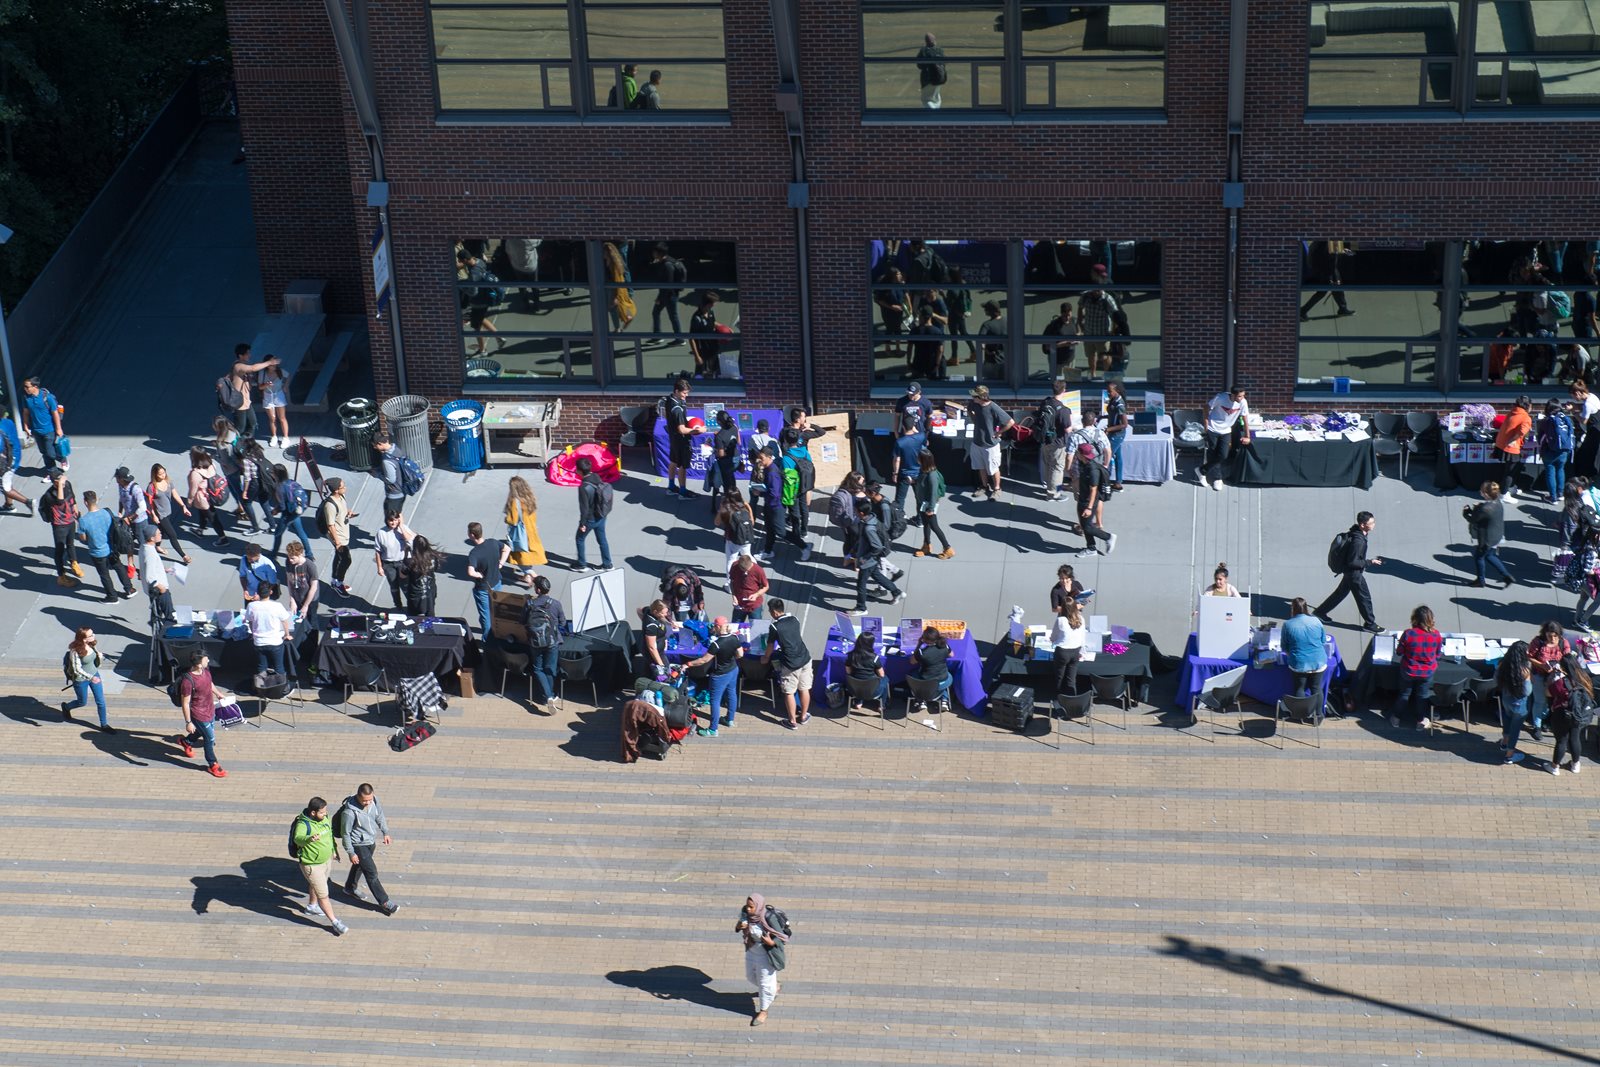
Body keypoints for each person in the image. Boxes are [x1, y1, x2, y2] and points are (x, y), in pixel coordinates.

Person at [1315, 512, 1383, 633]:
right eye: (1371, 523)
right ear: (1362, 525)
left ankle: (1319, 613)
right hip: (1354, 574)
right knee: (1364, 599)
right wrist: (1369, 562)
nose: (1374, 525)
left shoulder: (1356, 532)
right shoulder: (1359, 541)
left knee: (1339, 594)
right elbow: (1353, 562)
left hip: (1349, 573)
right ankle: (1370, 624)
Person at [338, 783, 399, 914]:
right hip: (358, 844)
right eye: (364, 800)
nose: (368, 802)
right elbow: (345, 834)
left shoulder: (374, 801)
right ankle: (384, 902)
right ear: (358, 797)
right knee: (371, 873)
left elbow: (379, 816)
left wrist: (385, 832)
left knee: (360, 865)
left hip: (370, 841)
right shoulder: (349, 812)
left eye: (369, 799)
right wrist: (351, 852)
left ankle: (349, 887)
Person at [290, 796, 347, 935]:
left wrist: (334, 850)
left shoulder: (324, 819)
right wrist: (309, 839)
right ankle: (335, 922)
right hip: (312, 865)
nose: (325, 814)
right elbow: (298, 839)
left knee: (315, 885)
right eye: (322, 812)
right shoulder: (303, 825)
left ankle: (311, 907)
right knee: (324, 894)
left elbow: (330, 835)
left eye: (325, 811)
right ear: (313, 813)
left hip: (326, 860)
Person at [736, 893, 788, 1027]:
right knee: (750, 977)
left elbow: (782, 937)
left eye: (751, 907)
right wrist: (739, 927)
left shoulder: (768, 918)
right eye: (747, 906)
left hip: (766, 954)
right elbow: (738, 926)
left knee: (764, 985)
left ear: (758, 906)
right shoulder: (745, 912)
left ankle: (763, 1011)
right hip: (751, 951)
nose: (748, 909)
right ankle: (774, 987)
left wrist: (771, 942)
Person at [690, 616, 744, 736]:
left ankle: (713, 729)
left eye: (714, 626)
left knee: (715, 701)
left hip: (720, 675)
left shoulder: (716, 644)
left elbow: (704, 660)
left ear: (718, 627)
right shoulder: (734, 637)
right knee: (731, 693)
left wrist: (688, 664)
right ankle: (729, 720)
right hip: (733, 669)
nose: (714, 628)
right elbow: (740, 654)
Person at [848, 496, 903, 614]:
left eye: (856, 511)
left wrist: (864, 558)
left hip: (868, 560)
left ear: (862, 513)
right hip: (871, 559)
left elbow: (877, 547)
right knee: (878, 576)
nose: (855, 512)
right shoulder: (872, 519)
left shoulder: (869, 528)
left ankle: (861, 608)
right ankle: (896, 592)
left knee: (861, 585)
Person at [1390, 605, 1441, 731]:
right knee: (1421, 697)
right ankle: (1420, 721)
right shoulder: (1436, 635)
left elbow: (1399, 652)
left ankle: (1396, 718)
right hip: (1427, 672)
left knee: (1404, 694)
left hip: (1409, 671)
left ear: (1415, 619)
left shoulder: (1409, 633)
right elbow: (1438, 654)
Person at [177, 650, 227, 778]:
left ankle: (187, 742)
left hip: (210, 709)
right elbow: (185, 703)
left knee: (202, 731)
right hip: (198, 714)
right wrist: (188, 722)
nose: (208, 661)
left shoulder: (206, 671)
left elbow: (209, 683)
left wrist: (218, 693)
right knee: (209, 738)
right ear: (199, 664)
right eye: (206, 660)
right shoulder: (188, 682)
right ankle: (213, 764)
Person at [764, 598, 812, 727]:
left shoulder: (775, 626)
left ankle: (792, 721)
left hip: (791, 664)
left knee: (789, 691)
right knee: (804, 688)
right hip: (805, 658)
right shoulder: (795, 619)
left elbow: (769, 646)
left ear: (774, 612)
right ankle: (803, 716)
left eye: (769, 610)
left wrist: (765, 658)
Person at [76, 491, 130, 603]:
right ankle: (129, 588)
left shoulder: (83, 521)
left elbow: (83, 538)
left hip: (97, 553)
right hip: (111, 548)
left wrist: (78, 521)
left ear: (85, 502)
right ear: (96, 500)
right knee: (119, 567)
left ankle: (112, 596)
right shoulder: (106, 513)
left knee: (104, 575)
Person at [1546, 653, 1594, 776]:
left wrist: (1553, 675)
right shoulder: (1585, 678)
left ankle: (1554, 767)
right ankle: (1575, 764)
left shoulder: (1561, 682)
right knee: (1575, 737)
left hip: (1563, 714)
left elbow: (1548, 693)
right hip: (1580, 714)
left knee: (1561, 740)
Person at [754, 447, 805, 563]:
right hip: (769, 505)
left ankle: (804, 546)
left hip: (776, 506)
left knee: (780, 531)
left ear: (769, 457)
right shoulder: (768, 468)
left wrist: (760, 492)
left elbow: (775, 493)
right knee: (770, 529)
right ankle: (768, 551)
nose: (759, 460)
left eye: (761, 458)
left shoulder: (772, 473)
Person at [524, 575, 566, 709]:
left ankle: (547, 696)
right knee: (550, 669)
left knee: (538, 669)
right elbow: (563, 623)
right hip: (552, 642)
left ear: (537, 590)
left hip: (535, 642)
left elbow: (522, 621)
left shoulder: (529, 604)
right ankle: (551, 695)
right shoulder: (556, 604)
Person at [966, 386, 1014, 499]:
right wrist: (974, 420)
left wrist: (998, 433)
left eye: (974, 396)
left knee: (993, 468)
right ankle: (984, 486)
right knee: (980, 466)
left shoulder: (993, 408)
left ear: (981, 397)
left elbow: (1010, 422)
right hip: (977, 442)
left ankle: (997, 488)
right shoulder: (974, 404)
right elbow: (969, 410)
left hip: (990, 444)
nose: (972, 397)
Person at [62, 627, 113, 732]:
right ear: (84, 639)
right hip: (81, 680)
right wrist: (91, 677)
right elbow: (77, 670)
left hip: (94, 674)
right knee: (82, 702)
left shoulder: (91, 644)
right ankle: (66, 707)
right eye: (91, 635)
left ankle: (104, 725)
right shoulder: (75, 651)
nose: (93, 636)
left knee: (101, 702)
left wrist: (99, 656)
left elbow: (94, 660)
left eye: (92, 633)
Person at [1463, 480, 1513, 588]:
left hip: (1487, 539)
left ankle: (1481, 580)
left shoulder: (1485, 509)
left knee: (1478, 557)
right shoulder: (1498, 502)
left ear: (1486, 494)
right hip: (1497, 536)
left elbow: (1473, 520)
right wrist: (1480, 506)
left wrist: (1466, 512)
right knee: (1490, 555)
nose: (1480, 492)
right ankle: (1506, 576)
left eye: (1481, 491)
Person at [466, 521, 509, 641]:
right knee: (494, 611)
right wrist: (501, 563)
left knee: (486, 616)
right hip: (497, 583)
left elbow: (470, 571)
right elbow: (507, 549)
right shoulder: (493, 542)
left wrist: (479, 575)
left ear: (472, 535)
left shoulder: (474, 553)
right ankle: (497, 634)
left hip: (483, 588)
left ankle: (488, 641)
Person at [1528, 620, 1571, 742]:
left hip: (1556, 677)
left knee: (1552, 701)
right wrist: (1542, 665)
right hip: (1540, 676)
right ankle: (1536, 726)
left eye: (1555, 636)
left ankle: (1544, 719)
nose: (1552, 638)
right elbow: (1529, 656)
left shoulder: (1563, 642)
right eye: (1549, 635)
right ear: (1545, 634)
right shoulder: (1538, 642)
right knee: (1539, 700)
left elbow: (1567, 659)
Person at [39, 467, 81, 587]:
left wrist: (76, 511)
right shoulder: (49, 495)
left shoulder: (67, 485)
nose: (64, 481)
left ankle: (74, 563)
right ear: (54, 482)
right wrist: (60, 485)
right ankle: (61, 576)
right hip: (59, 526)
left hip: (70, 521)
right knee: (59, 550)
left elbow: (72, 498)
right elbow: (60, 501)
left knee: (71, 544)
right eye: (60, 479)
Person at [1203, 385, 1251, 490]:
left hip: (1226, 430)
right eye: (1239, 396)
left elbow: (1245, 418)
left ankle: (1202, 470)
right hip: (1213, 428)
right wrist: (1206, 426)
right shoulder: (1220, 398)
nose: (1242, 398)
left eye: (1243, 396)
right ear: (1233, 395)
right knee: (1213, 452)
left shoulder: (1243, 402)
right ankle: (1217, 478)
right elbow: (1206, 407)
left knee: (1223, 455)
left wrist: (1248, 436)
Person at [145, 463, 193, 566]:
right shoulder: (151, 487)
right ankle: (183, 556)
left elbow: (175, 494)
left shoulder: (168, 481)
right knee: (172, 535)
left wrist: (183, 506)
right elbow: (149, 504)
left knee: (161, 531)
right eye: (160, 474)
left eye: (164, 472)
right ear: (155, 474)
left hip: (168, 512)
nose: (163, 475)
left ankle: (157, 546)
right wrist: (153, 515)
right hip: (160, 515)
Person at [1076, 266, 1120, 376]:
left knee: (1105, 356)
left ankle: (1107, 376)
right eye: (1095, 289)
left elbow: (1116, 315)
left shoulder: (1107, 299)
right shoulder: (1086, 296)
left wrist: (1112, 332)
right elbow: (1080, 308)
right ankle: (1093, 374)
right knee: (1091, 355)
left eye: (1099, 289)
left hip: (1103, 334)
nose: (1097, 291)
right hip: (1089, 332)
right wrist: (1080, 325)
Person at [1281, 598, 1328, 699]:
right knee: (1316, 688)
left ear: (1293, 609)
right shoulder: (1316, 621)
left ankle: (1302, 714)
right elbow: (1323, 641)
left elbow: (1284, 646)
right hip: (1318, 661)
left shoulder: (1287, 624)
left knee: (1299, 688)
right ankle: (1319, 714)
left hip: (1299, 663)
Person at [1036, 379, 1075, 500]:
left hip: (1045, 440)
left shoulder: (1046, 402)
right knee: (1057, 469)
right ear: (1064, 391)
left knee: (1048, 466)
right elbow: (1068, 429)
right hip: (1058, 443)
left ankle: (1049, 488)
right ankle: (1054, 493)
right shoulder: (1063, 410)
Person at [574, 456, 614, 572]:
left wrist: (582, 524)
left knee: (579, 539)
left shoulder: (583, 487)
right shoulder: (596, 476)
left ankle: (582, 564)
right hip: (601, 515)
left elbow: (584, 509)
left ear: (579, 471)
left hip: (590, 519)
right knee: (602, 540)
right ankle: (607, 564)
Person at [1075, 443, 1116, 555]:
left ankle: (1108, 537)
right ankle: (1091, 548)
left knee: (1087, 527)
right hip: (1083, 498)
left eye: (1078, 452)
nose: (1076, 454)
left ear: (1082, 454)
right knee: (1084, 525)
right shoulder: (1083, 464)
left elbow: (1094, 490)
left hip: (1089, 502)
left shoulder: (1093, 470)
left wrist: (1089, 507)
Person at [246, 581, 294, 677]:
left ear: (257, 592)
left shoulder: (251, 606)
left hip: (259, 642)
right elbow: (285, 621)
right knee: (279, 667)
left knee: (261, 667)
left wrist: (253, 634)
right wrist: (287, 634)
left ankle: (262, 687)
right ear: (271, 592)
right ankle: (281, 688)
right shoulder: (277, 606)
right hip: (275, 642)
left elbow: (250, 622)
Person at [1496, 639, 1532, 766]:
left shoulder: (1502, 665)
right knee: (1515, 729)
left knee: (1507, 720)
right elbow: (1527, 691)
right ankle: (1509, 756)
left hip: (1506, 700)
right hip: (1519, 704)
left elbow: (1496, 679)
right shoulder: (1524, 671)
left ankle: (1504, 742)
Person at [912, 447, 953, 559]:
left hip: (928, 506)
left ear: (923, 460)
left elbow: (933, 494)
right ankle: (926, 545)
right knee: (926, 525)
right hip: (922, 503)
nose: (916, 458)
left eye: (918, 457)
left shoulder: (932, 475)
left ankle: (948, 548)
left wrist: (930, 508)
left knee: (934, 527)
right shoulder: (923, 470)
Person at [185, 447, 229, 548]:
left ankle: (223, 538)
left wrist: (189, 502)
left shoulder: (196, 473)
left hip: (203, 498)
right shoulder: (211, 464)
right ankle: (200, 529)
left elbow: (193, 490)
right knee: (203, 512)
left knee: (212, 517)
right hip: (212, 494)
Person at [270, 464, 315, 560]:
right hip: (296, 512)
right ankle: (310, 554)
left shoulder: (279, 488)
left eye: (272, 472)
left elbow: (282, 507)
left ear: (276, 475)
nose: (271, 474)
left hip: (287, 514)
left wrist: (275, 511)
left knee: (278, 534)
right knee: (301, 533)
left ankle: (274, 554)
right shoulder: (291, 482)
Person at [320, 478, 356, 596]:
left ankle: (334, 580)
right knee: (346, 560)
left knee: (339, 557)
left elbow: (341, 512)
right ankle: (339, 583)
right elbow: (330, 525)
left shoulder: (341, 497)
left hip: (343, 533)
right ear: (336, 490)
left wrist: (348, 513)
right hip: (339, 537)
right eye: (342, 486)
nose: (345, 488)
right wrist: (337, 542)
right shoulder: (330, 505)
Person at [21, 377, 66, 471]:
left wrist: (58, 428)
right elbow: (26, 412)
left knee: (50, 453)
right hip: (36, 430)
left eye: (27, 386)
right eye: (24, 387)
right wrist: (25, 426)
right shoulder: (26, 398)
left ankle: (61, 458)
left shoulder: (47, 398)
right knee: (44, 452)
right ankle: (52, 472)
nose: (25, 388)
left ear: (35, 386)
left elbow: (55, 413)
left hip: (49, 430)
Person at [1493, 396, 1533, 500]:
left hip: (1501, 444)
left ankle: (1509, 488)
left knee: (1511, 469)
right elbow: (1521, 432)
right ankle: (1504, 494)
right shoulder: (1526, 417)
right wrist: (1512, 440)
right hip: (1511, 447)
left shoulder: (1512, 412)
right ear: (1528, 406)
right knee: (1510, 472)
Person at [371, 510, 412, 609]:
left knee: (406, 586)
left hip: (402, 563)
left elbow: (411, 540)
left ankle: (411, 605)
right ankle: (398, 605)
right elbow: (378, 551)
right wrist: (380, 567)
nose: (394, 522)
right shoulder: (381, 533)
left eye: (396, 519)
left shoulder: (403, 529)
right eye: (391, 520)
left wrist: (401, 526)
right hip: (388, 564)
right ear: (387, 521)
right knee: (394, 587)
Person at [1048, 598, 1087, 702]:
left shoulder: (1060, 620)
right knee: (1071, 680)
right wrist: (1082, 652)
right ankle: (1071, 704)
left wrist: (1051, 639)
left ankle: (1059, 701)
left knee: (1060, 678)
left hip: (1062, 652)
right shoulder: (1081, 619)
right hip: (1075, 652)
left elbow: (1054, 637)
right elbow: (1083, 637)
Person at [662, 376, 695, 497]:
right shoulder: (677, 409)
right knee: (681, 466)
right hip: (680, 440)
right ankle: (682, 492)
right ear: (676, 391)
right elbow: (682, 429)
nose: (686, 395)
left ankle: (671, 487)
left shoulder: (669, 399)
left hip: (673, 438)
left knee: (673, 461)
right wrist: (697, 430)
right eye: (684, 393)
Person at [1538, 398, 1575, 503]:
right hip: (1564, 451)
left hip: (1549, 451)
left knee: (1550, 472)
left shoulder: (1546, 421)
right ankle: (1560, 494)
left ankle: (1553, 497)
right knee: (1560, 470)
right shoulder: (1566, 419)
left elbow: (1541, 438)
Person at [909, 626, 954, 709]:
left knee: (914, 675)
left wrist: (919, 644)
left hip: (926, 682)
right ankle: (944, 700)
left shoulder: (922, 653)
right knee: (943, 680)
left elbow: (912, 661)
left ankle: (921, 700)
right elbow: (951, 655)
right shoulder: (945, 647)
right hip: (943, 679)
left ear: (925, 640)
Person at [844, 631, 889, 710]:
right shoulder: (874, 658)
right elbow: (881, 675)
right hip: (873, 691)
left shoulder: (851, 655)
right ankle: (882, 705)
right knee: (885, 679)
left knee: (858, 681)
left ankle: (858, 702)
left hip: (854, 690)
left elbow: (848, 672)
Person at [829, 471, 866, 565]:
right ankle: (856, 563)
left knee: (848, 540)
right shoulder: (857, 494)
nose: (863, 481)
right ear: (856, 481)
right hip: (854, 521)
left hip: (844, 521)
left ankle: (847, 559)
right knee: (857, 542)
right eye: (862, 480)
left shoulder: (843, 489)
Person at [141, 528, 176, 626]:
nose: (161, 534)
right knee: (170, 615)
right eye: (158, 533)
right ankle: (167, 638)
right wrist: (163, 589)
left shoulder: (144, 546)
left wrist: (162, 569)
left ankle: (156, 634)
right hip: (159, 591)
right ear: (152, 538)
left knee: (156, 614)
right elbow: (150, 578)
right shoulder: (150, 553)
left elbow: (149, 566)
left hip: (154, 590)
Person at [889, 413, 924, 514]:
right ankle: (920, 520)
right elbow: (924, 444)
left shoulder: (900, 442)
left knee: (900, 499)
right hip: (918, 473)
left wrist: (895, 473)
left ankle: (899, 519)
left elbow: (897, 459)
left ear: (903, 426)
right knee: (919, 498)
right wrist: (915, 430)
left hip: (904, 474)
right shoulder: (921, 437)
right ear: (913, 426)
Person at [716, 489, 757, 572]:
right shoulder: (744, 508)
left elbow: (716, 522)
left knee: (731, 559)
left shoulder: (727, 510)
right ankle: (757, 572)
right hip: (746, 537)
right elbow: (752, 523)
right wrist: (747, 506)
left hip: (732, 539)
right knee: (748, 555)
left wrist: (720, 509)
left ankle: (729, 582)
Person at [282, 541, 320, 630]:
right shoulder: (288, 562)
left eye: (293, 558)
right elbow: (289, 581)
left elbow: (314, 587)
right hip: (297, 597)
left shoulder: (310, 566)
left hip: (310, 600)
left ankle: (313, 642)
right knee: (299, 621)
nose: (290, 560)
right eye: (289, 557)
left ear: (300, 554)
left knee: (312, 622)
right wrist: (292, 599)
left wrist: (306, 605)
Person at [0, 419, 32, 515]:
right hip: (15, 455)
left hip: (6, 462)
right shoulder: (8, 422)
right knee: (6, 481)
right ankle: (9, 505)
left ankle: (28, 502)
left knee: (6, 488)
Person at [403, 535, 440, 617]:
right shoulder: (433, 557)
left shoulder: (411, 561)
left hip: (416, 592)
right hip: (430, 589)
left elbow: (402, 574)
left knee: (415, 615)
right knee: (430, 610)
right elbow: (436, 569)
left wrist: (406, 556)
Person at [689, 293, 723, 379]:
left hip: (714, 348)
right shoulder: (696, 318)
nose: (714, 306)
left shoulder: (710, 312)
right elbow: (691, 338)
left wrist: (724, 328)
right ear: (707, 304)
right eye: (713, 304)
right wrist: (697, 356)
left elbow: (713, 323)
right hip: (703, 350)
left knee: (716, 371)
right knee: (699, 375)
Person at [1103, 380, 1129, 490]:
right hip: (1114, 433)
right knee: (1118, 457)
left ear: (1117, 391)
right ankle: (1118, 483)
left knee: (1107, 457)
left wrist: (1109, 429)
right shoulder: (1113, 400)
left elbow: (1124, 424)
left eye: (1110, 391)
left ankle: (1105, 483)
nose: (1108, 393)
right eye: (1107, 391)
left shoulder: (1120, 405)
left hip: (1117, 435)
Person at [373, 434, 407, 513]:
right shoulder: (397, 449)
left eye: (375, 446)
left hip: (394, 494)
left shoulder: (387, 461)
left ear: (380, 444)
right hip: (403, 490)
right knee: (398, 515)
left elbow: (390, 480)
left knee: (391, 519)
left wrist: (377, 475)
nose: (375, 448)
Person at [730, 552, 768, 622]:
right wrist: (734, 596)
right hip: (739, 605)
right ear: (739, 565)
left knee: (757, 630)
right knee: (735, 628)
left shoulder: (758, 570)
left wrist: (756, 595)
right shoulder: (734, 566)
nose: (746, 572)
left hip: (754, 606)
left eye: (748, 570)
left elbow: (766, 586)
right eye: (744, 570)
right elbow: (732, 582)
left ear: (751, 563)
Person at [638, 599, 675, 674]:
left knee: (649, 669)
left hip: (659, 649)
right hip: (655, 653)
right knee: (665, 673)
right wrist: (661, 665)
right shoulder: (652, 625)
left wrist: (669, 622)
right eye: (663, 613)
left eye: (666, 612)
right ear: (655, 612)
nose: (665, 615)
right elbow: (652, 648)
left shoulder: (648, 610)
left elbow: (639, 609)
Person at [260, 362, 291, 449]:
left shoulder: (280, 371)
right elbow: (260, 387)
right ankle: (274, 436)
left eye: (274, 364)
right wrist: (266, 384)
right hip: (268, 396)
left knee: (282, 418)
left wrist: (285, 386)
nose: (274, 366)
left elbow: (288, 376)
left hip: (278, 395)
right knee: (272, 418)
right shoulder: (262, 373)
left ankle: (286, 438)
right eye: (271, 364)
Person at [239, 542, 279, 606]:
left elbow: (272, 582)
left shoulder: (267, 564)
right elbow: (242, 576)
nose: (249, 561)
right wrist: (245, 590)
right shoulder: (244, 559)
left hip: (263, 597)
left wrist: (260, 595)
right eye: (248, 558)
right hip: (250, 594)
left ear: (258, 555)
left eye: (251, 559)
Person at [915, 32, 946, 108]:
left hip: (928, 80)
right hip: (940, 78)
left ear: (926, 42)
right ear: (935, 41)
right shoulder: (940, 50)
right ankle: (937, 113)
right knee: (936, 98)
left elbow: (919, 65)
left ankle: (932, 116)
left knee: (926, 99)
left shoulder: (924, 51)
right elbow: (944, 62)